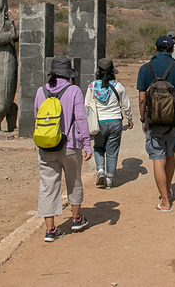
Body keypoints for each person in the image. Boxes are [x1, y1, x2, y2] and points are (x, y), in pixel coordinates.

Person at [34, 56, 92, 242]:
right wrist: (87, 143)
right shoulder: (73, 90)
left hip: (46, 145)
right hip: (70, 145)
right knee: (74, 180)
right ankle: (76, 219)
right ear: (68, 75)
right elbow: (81, 119)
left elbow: (37, 118)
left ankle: (50, 230)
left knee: (48, 186)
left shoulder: (40, 91)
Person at [137, 35, 175, 212]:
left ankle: (165, 201)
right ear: (172, 49)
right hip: (174, 120)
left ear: (155, 48)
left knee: (157, 158)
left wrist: (143, 119)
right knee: (170, 156)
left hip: (154, 121)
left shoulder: (145, 69)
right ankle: (167, 189)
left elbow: (142, 99)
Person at [86, 57, 133, 189]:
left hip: (99, 123)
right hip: (115, 122)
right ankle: (110, 179)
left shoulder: (92, 87)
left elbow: (86, 106)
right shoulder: (118, 86)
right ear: (112, 71)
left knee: (99, 148)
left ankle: (100, 170)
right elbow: (126, 105)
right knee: (112, 151)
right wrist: (129, 119)